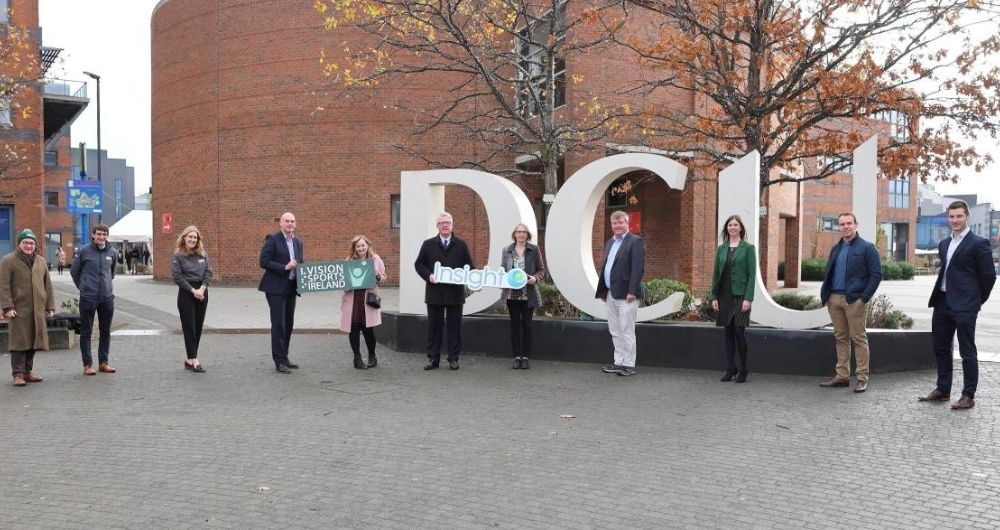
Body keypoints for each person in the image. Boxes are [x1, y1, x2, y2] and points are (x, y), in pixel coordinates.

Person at [919, 200, 996, 410]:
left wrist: (976, 301)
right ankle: (943, 389)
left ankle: (968, 395)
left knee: (967, 350)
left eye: (959, 216)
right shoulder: (944, 243)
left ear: (967, 217)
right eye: (951, 217)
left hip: (965, 306)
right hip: (942, 302)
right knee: (940, 347)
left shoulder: (978, 243)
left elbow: (988, 276)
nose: (955, 220)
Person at [819, 212, 882, 393]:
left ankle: (862, 378)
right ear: (839, 227)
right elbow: (829, 273)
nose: (845, 226)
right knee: (841, 338)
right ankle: (842, 376)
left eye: (849, 223)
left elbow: (877, 274)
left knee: (859, 339)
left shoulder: (867, 248)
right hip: (834, 299)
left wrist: (864, 298)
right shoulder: (836, 248)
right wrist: (827, 295)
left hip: (854, 300)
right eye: (842, 224)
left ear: (856, 225)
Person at [414, 212, 475, 370]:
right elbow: (419, 264)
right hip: (434, 292)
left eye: (448, 222)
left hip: (455, 294)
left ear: (452, 225)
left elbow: (470, 267)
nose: (445, 225)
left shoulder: (461, 245)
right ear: (437, 226)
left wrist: (470, 279)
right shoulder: (428, 244)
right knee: (434, 327)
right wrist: (429, 276)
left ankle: (453, 358)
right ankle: (433, 358)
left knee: (455, 327)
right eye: (442, 223)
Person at [0, 229, 56, 387]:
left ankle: (27, 372)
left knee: (33, 340)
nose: (28, 245)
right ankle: (17, 374)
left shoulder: (41, 261)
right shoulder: (8, 260)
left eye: (31, 243)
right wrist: (7, 307)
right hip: (18, 309)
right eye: (25, 242)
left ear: (35, 245)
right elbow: (3, 286)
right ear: (19, 244)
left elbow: (48, 285)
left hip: (37, 308)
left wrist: (49, 306)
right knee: (19, 342)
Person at [596, 210, 645, 377]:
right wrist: (603, 290)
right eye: (614, 223)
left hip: (627, 295)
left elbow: (637, 268)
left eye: (620, 222)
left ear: (627, 223)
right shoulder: (610, 242)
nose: (617, 225)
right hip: (610, 293)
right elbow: (606, 268)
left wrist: (632, 291)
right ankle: (619, 362)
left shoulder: (635, 241)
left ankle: (629, 364)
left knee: (627, 330)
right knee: (615, 330)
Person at [709, 215, 756, 383]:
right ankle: (730, 368)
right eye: (730, 225)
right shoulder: (721, 249)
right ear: (727, 228)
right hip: (724, 296)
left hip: (741, 296)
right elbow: (716, 274)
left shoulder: (748, 248)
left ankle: (743, 368)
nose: (733, 227)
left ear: (741, 228)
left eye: (736, 225)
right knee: (727, 332)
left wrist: (748, 298)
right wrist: (714, 296)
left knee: (739, 332)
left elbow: (752, 275)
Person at [70, 224, 118, 376]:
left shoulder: (113, 252)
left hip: (106, 298)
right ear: (93, 235)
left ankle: (103, 363)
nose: (101, 237)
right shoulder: (84, 251)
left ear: (107, 236)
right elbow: (74, 271)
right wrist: (82, 287)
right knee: (86, 331)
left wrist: (106, 287)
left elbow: (112, 273)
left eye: (104, 234)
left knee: (105, 331)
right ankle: (88, 364)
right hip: (88, 297)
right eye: (99, 234)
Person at [259, 212, 303, 374]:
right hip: (275, 288)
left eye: (292, 221)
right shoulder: (273, 240)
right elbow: (263, 261)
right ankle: (278, 361)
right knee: (279, 324)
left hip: (291, 287)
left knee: (289, 324)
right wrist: (284, 267)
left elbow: (301, 263)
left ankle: (285, 357)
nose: (290, 224)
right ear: (281, 224)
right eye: (287, 221)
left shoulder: (298, 242)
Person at [501, 223, 546, 370]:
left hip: (529, 294)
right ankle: (516, 357)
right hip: (512, 295)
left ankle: (525, 357)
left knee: (527, 326)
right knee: (514, 326)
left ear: (527, 235)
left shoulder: (534, 249)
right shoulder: (507, 250)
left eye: (524, 232)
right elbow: (502, 270)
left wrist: (535, 278)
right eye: (519, 232)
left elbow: (541, 270)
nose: (521, 235)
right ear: (514, 234)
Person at [339, 235, 387, 370]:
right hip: (353, 300)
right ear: (354, 248)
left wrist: (379, 276)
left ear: (368, 245)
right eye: (358, 246)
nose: (361, 248)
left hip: (367, 299)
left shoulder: (375, 259)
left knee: (368, 331)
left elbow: (383, 276)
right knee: (353, 329)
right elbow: (342, 283)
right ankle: (357, 358)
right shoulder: (348, 261)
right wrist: (349, 283)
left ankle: (372, 355)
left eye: (363, 245)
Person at [171, 226, 213, 373]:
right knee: (189, 327)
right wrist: (192, 290)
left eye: (195, 238)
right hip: (186, 293)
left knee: (198, 326)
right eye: (190, 237)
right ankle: (194, 359)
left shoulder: (203, 254)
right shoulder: (178, 255)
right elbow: (177, 277)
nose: (192, 240)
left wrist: (202, 288)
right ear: (184, 238)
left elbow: (208, 272)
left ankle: (189, 360)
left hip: (202, 292)